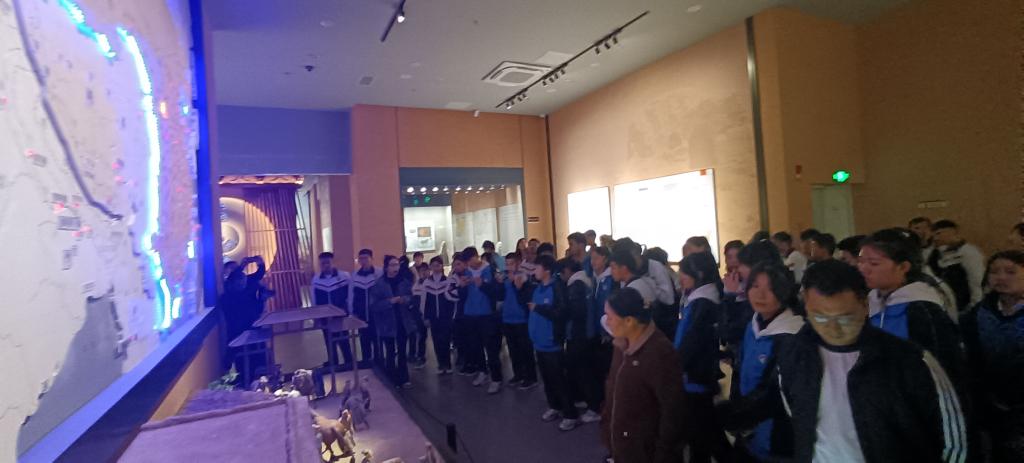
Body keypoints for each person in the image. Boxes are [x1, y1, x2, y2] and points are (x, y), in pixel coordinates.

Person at [719, 260, 967, 463]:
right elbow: (774, 397)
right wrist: (725, 415)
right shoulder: (797, 353)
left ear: (865, 305)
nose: (834, 328)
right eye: (820, 318)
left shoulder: (909, 361)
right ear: (806, 307)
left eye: (845, 318)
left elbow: (955, 442)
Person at [858, 228, 965, 387]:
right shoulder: (870, 301)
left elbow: (944, 368)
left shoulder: (922, 308)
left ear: (903, 267)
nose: (863, 269)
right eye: (861, 261)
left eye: (874, 263)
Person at [600, 287, 685, 463]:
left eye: (610, 317)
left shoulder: (659, 353)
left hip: (646, 452)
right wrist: (606, 426)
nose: (606, 322)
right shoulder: (622, 344)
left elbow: (673, 412)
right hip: (623, 445)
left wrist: (663, 454)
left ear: (629, 321)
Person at [730, 263, 803, 461]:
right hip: (749, 430)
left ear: (785, 292)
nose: (760, 295)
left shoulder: (794, 335)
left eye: (770, 288)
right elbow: (740, 370)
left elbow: (776, 395)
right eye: (755, 286)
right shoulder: (753, 325)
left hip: (778, 438)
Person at [960, 251, 1024, 462]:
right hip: (989, 401)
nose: (1001, 277)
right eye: (994, 272)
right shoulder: (978, 314)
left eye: (1011, 272)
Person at [673, 251, 731, 463]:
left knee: (701, 432)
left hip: (694, 375)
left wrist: (677, 366)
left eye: (684, 273)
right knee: (706, 430)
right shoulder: (700, 299)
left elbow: (692, 341)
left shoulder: (702, 303)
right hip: (698, 374)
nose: (680, 277)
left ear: (698, 274)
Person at [529, 254, 578, 431]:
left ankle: (570, 414)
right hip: (539, 341)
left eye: (537, 268)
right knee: (547, 379)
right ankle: (554, 406)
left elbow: (562, 313)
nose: (534, 271)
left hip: (552, 342)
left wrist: (539, 308)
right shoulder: (538, 288)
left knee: (559, 379)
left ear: (547, 270)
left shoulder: (557, 288)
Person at [721, 241, 785, 350]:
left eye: (743, 264)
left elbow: (731, 331)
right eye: (729, 257)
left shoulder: (766, 296)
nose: (739, 268)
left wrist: (731, 296)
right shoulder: (734, 284)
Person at [559, 257, 601, 423]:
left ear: (567, 271)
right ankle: (588, 401)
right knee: (586, 370)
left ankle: (594, 408)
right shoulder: (587, 280)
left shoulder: (575, 285)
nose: (561, 277)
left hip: (578, 335)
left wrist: (560, 313)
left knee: (583, 371)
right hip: (587, 333)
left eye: (561, 273)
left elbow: (575, 312)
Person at [460, 247, 504, 394]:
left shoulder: (490, 269)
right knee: (475, 346)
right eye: (466, 263)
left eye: (469, 261)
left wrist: (483, 285)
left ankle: (496, 378)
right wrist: (462, 286)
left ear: (476, 257)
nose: (468, 265)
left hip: (487, 315)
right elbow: (462, 294)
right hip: (470, 314)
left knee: (491, 349)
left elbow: (498, 292)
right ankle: (482, 372)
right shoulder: (466, 272)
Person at [369, 255, 413, 388]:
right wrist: (390, 302)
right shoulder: (379, 284)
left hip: (402, 321)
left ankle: (404, 378)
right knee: (390, 351)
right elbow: (374, 305)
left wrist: (405, 299)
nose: (395, 268)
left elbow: (412, 297)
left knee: (402, 351)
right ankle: (392, 378)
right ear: (386, 267)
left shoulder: (404, 281)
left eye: (397, 264)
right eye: (392, 265)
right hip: (387, 323)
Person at [496, 252, 538, 389]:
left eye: (511, 264)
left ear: (518, 263)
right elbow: (500, 296)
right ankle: (518, 374)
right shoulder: (505, 278)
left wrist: (518, 286)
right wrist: (499, 284)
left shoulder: (524, 278)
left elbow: (526, 297)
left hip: (521, 319)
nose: (509, 267)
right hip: (507, 318)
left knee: (525, 349)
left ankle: (531, 377)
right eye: (507, 264)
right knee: (513, 349)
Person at [929, 220, 985, 313]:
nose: (935, 238)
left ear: (952, 232)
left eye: (939, 233)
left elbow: (977, 281)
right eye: (933, 235)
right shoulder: (934, 255)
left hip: (966, 307)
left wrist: (975, 306)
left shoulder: (968, 252)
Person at [312, 252, 354, 371]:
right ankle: (333, 363)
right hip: (324, 317)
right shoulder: (316, 280)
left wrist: (350, 312)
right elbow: (314, 299)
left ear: (333, 262)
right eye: (323, 263)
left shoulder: (344, 277)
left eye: (328, 262)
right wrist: (316, 317)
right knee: (329, 341)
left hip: (340, 315)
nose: (326, 265)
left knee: (344, 339)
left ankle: (349, 363)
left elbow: (350, 295)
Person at [422, 256, 458, 375]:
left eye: (438, 265)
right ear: (430, 267)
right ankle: (440, 365)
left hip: (445, 316)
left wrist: (451, 315)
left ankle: (447, 364)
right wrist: (425, 316)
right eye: (433, 265)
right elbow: (424, 301)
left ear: (442, 266)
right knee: (436, 340)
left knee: (446, 340)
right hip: (433, 317)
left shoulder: (447, 281)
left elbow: (452, 300)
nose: (436, 268)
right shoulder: (427, 283)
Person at [589, 246, 616, 398]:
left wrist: (608, 331)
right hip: (596, 329)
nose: (593, 262)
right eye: (591, 258)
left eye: (596, 258)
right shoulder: (594, 278)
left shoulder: (611, 279)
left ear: (605, 259)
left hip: (608, 331)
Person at [350, 249, 382, 367]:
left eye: (366, 258)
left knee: (377, 339)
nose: (363, 261)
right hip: (361, 314)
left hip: (376, 314)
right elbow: (351, 294)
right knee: (364, 340)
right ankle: (366, 365)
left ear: (371, 259)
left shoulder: (379, 273)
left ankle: (380, 364)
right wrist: (352, 311)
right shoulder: (354, 275)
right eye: (361, 258)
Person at [407, 263, 429, 368]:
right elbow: (413, 297)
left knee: (423, 336)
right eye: (422, 271)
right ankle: (418, 356)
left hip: (428, 313)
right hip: (417, 313)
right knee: (419, 335)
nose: (424, 273)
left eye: (426, 270)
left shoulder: (431, 283)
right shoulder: (416, 284)